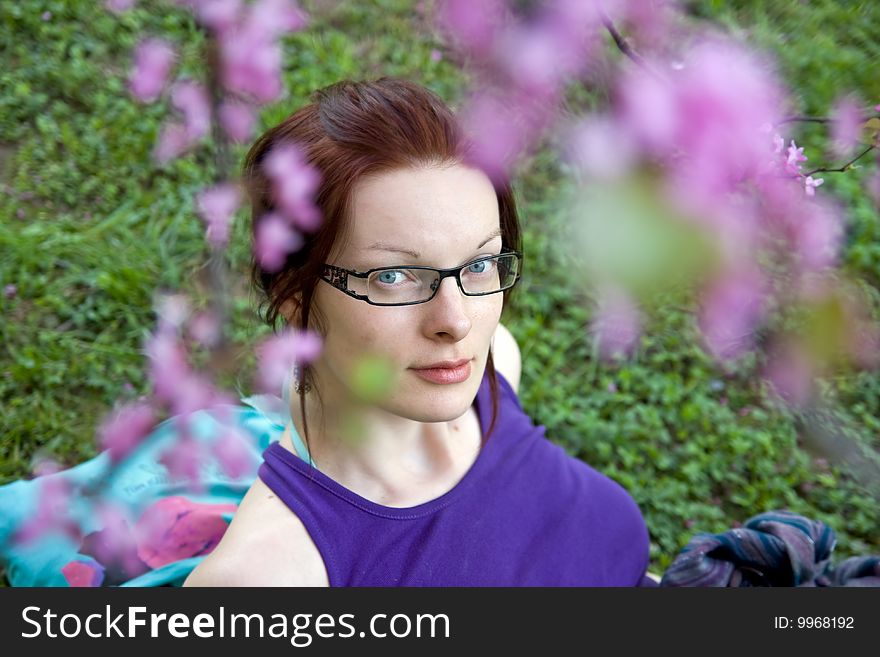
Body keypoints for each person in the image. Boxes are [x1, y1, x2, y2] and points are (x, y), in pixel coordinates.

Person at [184, 77, 654, 587]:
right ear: (295, 298)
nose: (455, 323)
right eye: (392, 277)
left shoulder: (494, 364)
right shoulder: (268, 577)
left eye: (479, 263)